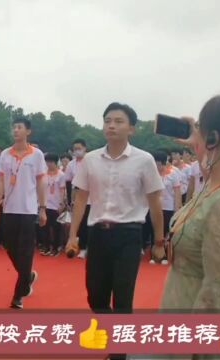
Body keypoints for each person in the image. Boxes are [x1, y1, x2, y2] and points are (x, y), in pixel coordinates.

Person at [67, 103, 164, 360]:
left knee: (122, 297)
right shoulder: (89, 160)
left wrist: (159, 240)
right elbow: (80, 200)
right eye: (107, 120)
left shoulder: (144, 160)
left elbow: (155, 202)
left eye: (119, 121)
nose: (111, 125)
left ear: (131, 128)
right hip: (98, 235)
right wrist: (72, 235)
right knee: (96, 296)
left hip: (129, 236)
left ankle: (118, 353)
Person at [159, 92, 220, 321]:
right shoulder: (219, 184)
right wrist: (199, 141)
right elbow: (212, 170)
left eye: (201, 129)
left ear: (214, 138)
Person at [0, 117, 47, 310]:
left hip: (28, 209)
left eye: (19, 127)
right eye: (13, 127)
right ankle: (28, 276)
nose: (15, 130)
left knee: (25, 252)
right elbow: (0, 182)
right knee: (9, 247)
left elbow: (41, 182)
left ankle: (18, 295)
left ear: (28, 132)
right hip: (9, 209)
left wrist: (42, 208)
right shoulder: (5, 154)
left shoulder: (37, 155)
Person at [149, 151, 182, 265]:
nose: (156, 166)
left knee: (166, 232)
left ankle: (165, 255)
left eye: (158, 164)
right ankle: (153, 255)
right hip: (155, 207)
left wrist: (177, 210)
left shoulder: (173, 174)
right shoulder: (152, 174)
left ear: (163, 163)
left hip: (168, 207)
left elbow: (177, 192)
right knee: (155, 231)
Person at [64, 138, 90, 259]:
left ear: (85, 148)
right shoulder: (71, 164)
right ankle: (82, 247)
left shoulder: (90, 161)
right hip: (77, 197)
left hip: (91, 197)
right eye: (75, 149)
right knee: (80, 223)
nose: (77, 151)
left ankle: (91, 246)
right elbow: (68, 182)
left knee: (89, 223)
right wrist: (69, 200)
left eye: (79, 148)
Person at [38, 153, 66, 256]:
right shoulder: (43, 174)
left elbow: (63, 190)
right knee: (44, 226)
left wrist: (61, 203)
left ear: (55, 162)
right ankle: (46, 246)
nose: (49, 164)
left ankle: (55, 247)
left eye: (51, 162)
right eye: (47, 162)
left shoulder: (61, 175)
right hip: (44, 203)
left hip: (55, 204)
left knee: (56, 227)